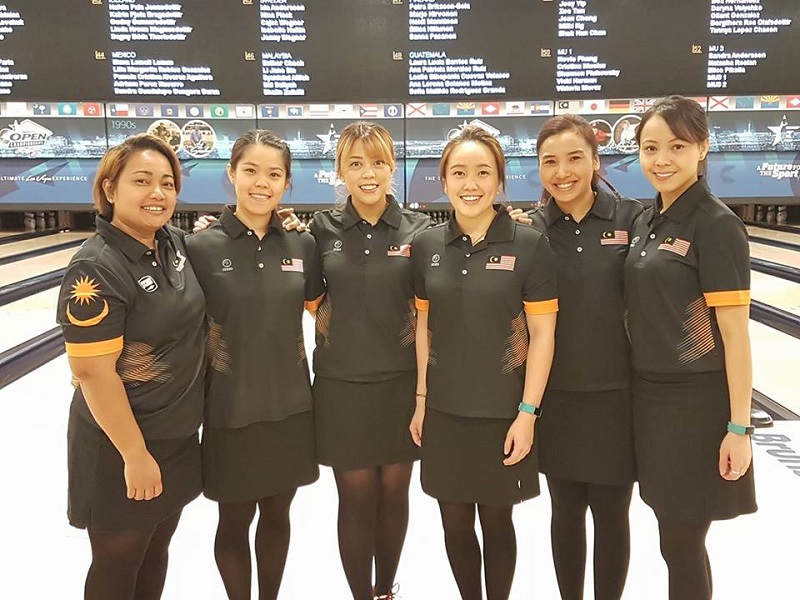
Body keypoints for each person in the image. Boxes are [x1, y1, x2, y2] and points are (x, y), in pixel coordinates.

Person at [410, 125, 558, 600]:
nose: (470, 183)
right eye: (458, 173)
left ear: (499, 181)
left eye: (482, 172)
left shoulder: (530, 244)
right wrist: (420, 401)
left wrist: (528, 413)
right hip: (445, 412)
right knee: (453, 522)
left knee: (497, 520)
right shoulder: (428, 246)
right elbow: (422, 328)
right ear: (444, 180)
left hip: (502, 413)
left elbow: (542, 334)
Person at [56, 133, 206, 599]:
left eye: (167, 182)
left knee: (156, 549)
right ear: (110, 189)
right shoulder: (96, 267)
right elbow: (93, 374)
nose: (157, 193)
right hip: (121, 447)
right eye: (142, 181)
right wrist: (134, 455)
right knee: (118, 564)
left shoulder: (173, 244)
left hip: (175, 437)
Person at [624, 95, 757, 599]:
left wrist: (738, 427)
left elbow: (734, 334)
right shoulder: (647, 220)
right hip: (649, 401)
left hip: (695, 407)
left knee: (681, 541)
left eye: (677, 146)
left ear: (702, 148)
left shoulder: (716, 225)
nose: (662, 159)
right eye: (650, 147)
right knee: (673, 541)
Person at [186, 130, 324, 600]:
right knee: (234, 517)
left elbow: (324, 307)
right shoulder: (199, 247)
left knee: (279, 514)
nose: (261, 183)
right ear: (231, 173)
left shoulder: (302, 246)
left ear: (286, 183)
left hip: (290, 406)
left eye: (274, 174)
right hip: (228, 407)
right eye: (251, 171)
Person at [311, 121, 432, 600]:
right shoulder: (319, 231)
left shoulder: (420, 231)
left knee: (395, 495)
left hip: (402, 385)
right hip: (341, 387)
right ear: (339, 170)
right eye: (356, 163)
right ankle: (362, 593)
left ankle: (386, 589)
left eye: (378, 162)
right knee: (355, 499)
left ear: (392, 167)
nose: (368, 173)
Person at [528, 114, 642, 600]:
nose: (563, 171)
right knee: (565, 508)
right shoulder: (529, 229)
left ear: (596, 161)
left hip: (618, 395)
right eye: (550, 161)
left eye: (575, 158)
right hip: (556, 398)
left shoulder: (633, 218)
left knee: (613, 513)